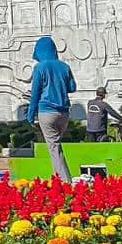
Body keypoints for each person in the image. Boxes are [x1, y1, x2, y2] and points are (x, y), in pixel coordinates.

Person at [26, 35, 77, 183]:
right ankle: (59, 178)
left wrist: (31, 114)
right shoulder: (64, 66)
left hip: (47, 112)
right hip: (64, 114)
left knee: (54, 148)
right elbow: (72, 88)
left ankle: (65, 181)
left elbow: (35, 93)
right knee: (56, 146)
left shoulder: (40, 67)